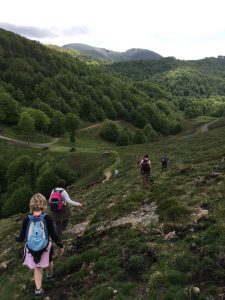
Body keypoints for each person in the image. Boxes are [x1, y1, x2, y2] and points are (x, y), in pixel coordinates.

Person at [16, 193, 64, 296]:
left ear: (31, 205)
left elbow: (21, 237)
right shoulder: (47, 218)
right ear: (44, 204)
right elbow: (53, 234)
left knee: (37, 267)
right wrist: (60, 245)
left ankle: (38, 289)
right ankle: (49, 275)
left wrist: (17, 239)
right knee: (49, 260)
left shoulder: (27, 219)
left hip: (32, 248)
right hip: (45, 246)